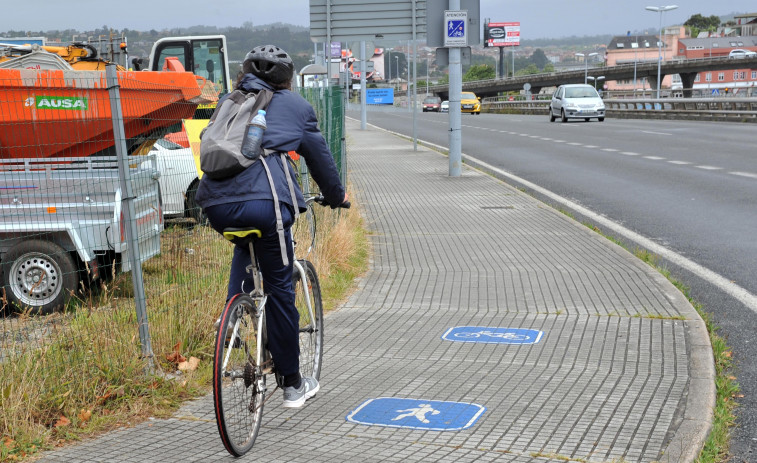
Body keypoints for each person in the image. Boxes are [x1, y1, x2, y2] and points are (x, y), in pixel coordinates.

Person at [195, 44, 349, 408]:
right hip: (264, 204)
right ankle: (293, 384)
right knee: (280, 287)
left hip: (214, 203)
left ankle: (231, 314)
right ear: (287, 79)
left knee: (245, 243)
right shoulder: (296, 107)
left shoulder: (229, 100)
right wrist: (336, 195)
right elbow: (320, 158)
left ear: (245, 71)